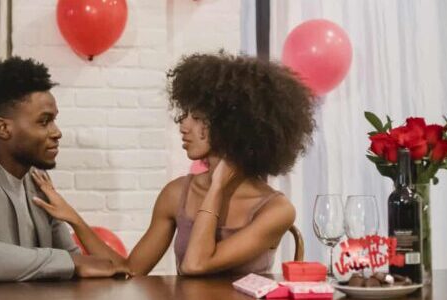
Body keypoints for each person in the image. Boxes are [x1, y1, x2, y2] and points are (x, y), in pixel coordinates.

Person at [31, 52, 316, 276]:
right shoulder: (175, 194)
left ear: (231, 125)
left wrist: (216, 187)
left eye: (196, 116)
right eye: (185, 114)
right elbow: (130, 270)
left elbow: (196, 264)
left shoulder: (277, 209)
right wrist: (74, 218)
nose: (183, 125)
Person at [0, 57, 130, 282]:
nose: (56, 132)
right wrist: (69, 263)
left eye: (54, 120)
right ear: (3, 128)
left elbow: (70, 258)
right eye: (44, 122)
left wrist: (73, 261)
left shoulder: (36, 178)